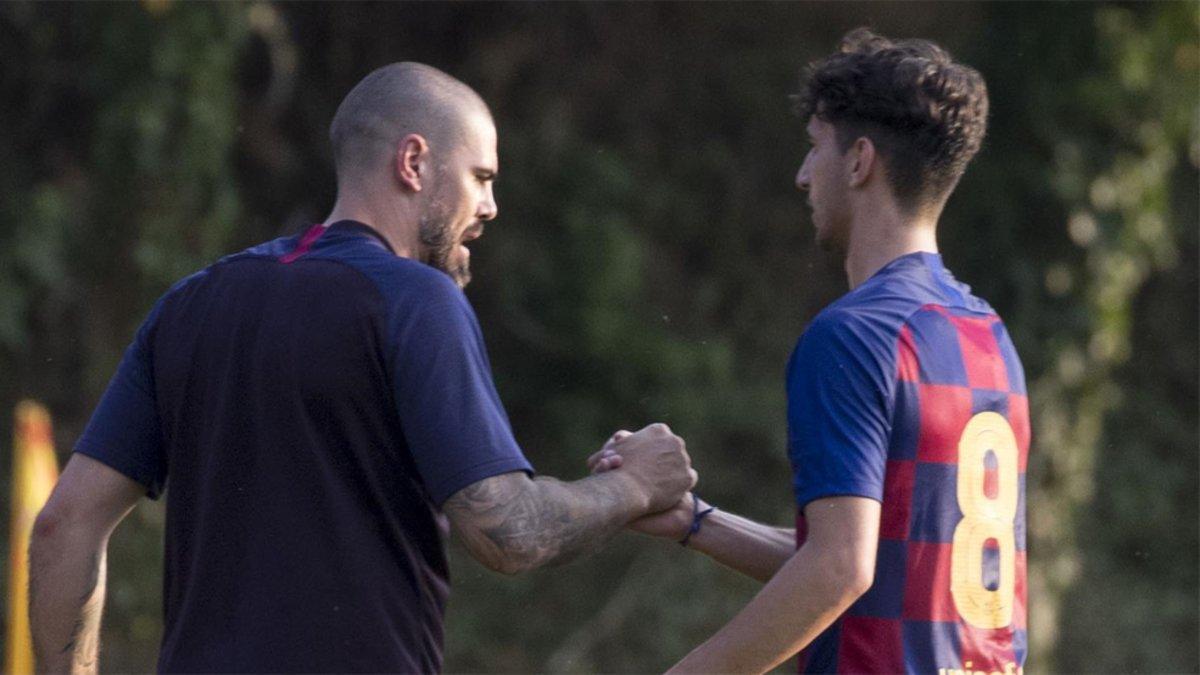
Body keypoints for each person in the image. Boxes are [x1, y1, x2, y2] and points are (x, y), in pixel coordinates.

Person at [28, 62, 696, 674]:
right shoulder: (413, 300)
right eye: (482, 178)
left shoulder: (192, 302)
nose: (490, 207)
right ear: (414, 162)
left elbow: (64, 525)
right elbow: (509, 531)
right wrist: (634, 486)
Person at [594, 29, 1028, 674]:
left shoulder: (854, 335)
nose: (802, 177)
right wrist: (697, 522)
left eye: (813, 149)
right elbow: (881, 568)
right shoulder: (989, 335)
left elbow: (837, 572)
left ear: (858, 162)